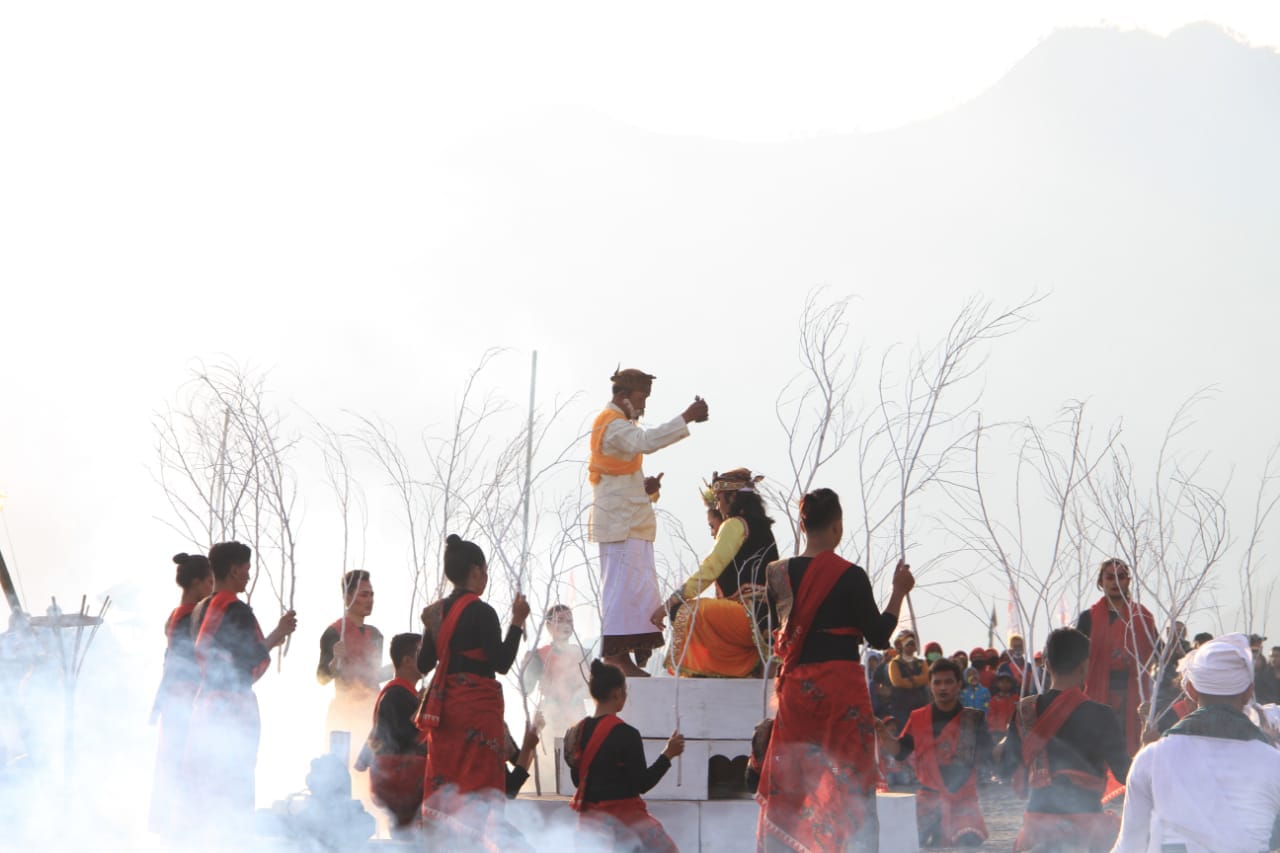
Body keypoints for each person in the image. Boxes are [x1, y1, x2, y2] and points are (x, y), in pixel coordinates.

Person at [757, 487, 914, 852]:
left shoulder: (777, 573)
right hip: (841, 689)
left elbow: (770, 634)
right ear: (838, 527)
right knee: (850, 775)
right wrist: (898, 591)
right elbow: (877, 636)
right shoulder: (850, 575)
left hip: (797, 690)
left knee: (794, 774)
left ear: (802, 525)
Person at [588, 368, 709, 677]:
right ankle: (616, 658)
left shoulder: (620, 426)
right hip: (620, 528)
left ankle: (625, 656)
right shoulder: (612, 424)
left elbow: (622, 479)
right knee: (621, 591)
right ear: (623, 396)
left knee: (638, 590)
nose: (643, 406)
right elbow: (646, 441)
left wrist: (647, 490)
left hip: (631, 525)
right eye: (641, 398)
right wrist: (686, 417)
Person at [1114, 633, 1280, 852]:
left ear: (1190, 690)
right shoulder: (1273, 762)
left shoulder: (1151, 758)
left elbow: (1129, 847)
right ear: (1248, 692)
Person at [417, 534, 529, 847]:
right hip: (477, 712)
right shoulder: (482, 612)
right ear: (477, 572)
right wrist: (517, 622)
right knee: (478, 785)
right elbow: (502, 662)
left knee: (447, 782)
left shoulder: (436, 611)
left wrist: (430, 631)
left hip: (446, 711)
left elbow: (424, 663)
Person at [186, 541, 297, 840]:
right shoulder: (235, 610)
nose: (248, 575)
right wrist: (278, 634)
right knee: (233, 793)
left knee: (206, 792)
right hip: (232, 711)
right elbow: (251, 664)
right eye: (247, 569)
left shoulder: (199, 608)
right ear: (235, 569)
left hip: (203, 709)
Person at [997, 627, 1131, 852]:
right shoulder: (1102, 714)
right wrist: (1149, 748)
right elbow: (1125, 773)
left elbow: (1006, 769)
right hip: (1087, 826)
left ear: (1047, 665)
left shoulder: (1024, 711)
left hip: (1038, 824)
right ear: (1085, 666)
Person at [661, 469, 779, 678]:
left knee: (683, 611)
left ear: (733, 497)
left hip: (747, 616)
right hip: (767, 617)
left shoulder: (734, 525)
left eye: (719, 499)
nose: (718, 505)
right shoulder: (762, 528)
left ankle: (708, 670)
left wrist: (670, 602)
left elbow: (710, 568)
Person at [564, 659, 684, 851]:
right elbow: (642, 784)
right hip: (626, 826)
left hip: (590, 827)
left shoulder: (575, 733)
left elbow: (578, 781)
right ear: (617, 692)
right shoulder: (627, 734)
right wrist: (667, 755)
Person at [879, 658, 992, 847]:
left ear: (959, 685)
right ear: (930, 686)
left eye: (948, 682)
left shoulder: (973, 719)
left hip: (962, 799)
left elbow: (992, 755)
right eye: (937, 682)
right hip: (928, 799)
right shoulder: (918, 717)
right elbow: (900, 752)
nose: (943, 687)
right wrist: (882, 733)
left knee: (969, 842)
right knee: (910, 843)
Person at [149, 552, 214, 836]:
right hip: (185, 699)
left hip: (176, 699)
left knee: (171, 766)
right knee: (182, 767)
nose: (213, 587)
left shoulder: (176, 615)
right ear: (198, 583)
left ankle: (169, 828)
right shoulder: (190, 616)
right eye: (210, 581)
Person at [1075, 557, 1157, 756]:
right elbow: (1076, 659)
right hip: (1096, 692)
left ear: (1128, 581)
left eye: (1121, 577)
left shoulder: (1142, 617)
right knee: (1096, 747)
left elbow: (1157, 654)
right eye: (1110, 577)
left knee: (1129, 748)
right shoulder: (1088, 618)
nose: (1115, 582)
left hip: (1133, 695)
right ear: (1101, 582)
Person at [318, 570, 388, 771]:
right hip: (345, 712)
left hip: (371, 713)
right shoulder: (334, 632)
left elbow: (373, 676)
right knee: (343, 771)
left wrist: (398, 669)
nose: (370, 600)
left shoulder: (375, 635)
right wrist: (335, 660)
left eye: (371, 594)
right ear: (347, 597)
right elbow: (321, 677)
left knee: (370, 774)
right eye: (364, 595)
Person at [362, 632, 426, 835]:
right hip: (400, 778)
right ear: (407, 660)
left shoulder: (401, 694)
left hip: (395, 777)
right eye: (422, 653)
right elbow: (404, 737)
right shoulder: (397, 694)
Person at [520, 604, 589, 762]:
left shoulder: (583, 654)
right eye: (560, 620)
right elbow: (526, 689)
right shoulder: (538, 655)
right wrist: (525, 669)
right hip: (549, 717)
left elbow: (594, 690)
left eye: (569, 621)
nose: (566, 625)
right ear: (549, 626)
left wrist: (579, 694)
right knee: (550, 762)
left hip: (577, 717)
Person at [887, 629, 930, 726]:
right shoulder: (894, 663)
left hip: (920, 704)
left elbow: (926, 678)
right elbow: (897, 682)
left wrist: (910, 680)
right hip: (901, 706)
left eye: (912, 644)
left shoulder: (921, 663)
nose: (910, 647)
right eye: (908, 644)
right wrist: (916, 681)